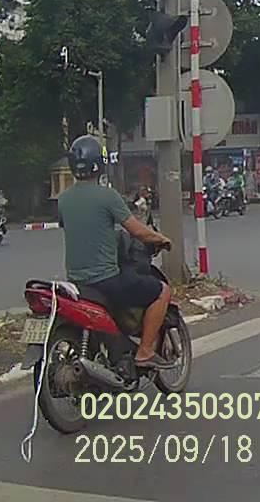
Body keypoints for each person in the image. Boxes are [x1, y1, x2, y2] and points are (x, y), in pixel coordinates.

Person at [57, 135, 174, 369]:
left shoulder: (63, 199)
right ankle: (145, 351)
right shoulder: (107, 196)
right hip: (106, 280)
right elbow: (137, 231)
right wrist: (161, 238)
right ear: (99, 164)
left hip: (76, 282)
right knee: (162, 291)